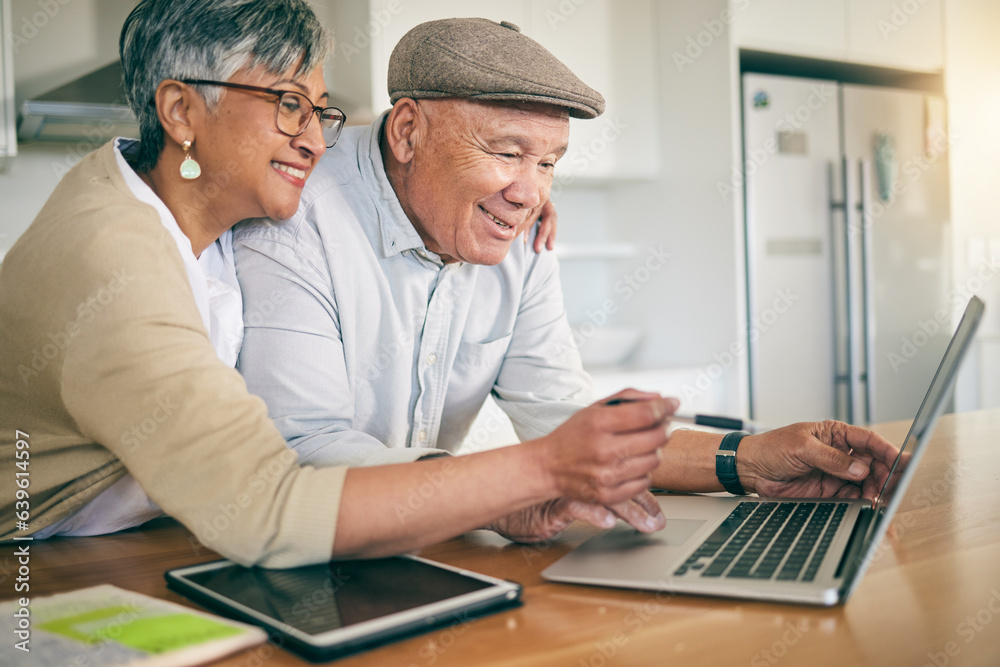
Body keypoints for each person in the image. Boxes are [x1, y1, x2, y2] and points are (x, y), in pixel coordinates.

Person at [0, 1, 678, 566]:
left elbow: (377, 155)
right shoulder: (114, 258)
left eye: (319, 111)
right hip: (31, 568)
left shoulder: (200, 222)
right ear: (180, 112)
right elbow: (264, 505)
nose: (317, 142)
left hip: (146, 540)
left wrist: (498, 179)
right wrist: (531, 475)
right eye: (289, 105)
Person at [233, 17, 900, 544]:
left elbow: (560, 415)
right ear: (407, 130)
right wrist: (498, 497)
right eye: (506, 151)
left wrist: (747, 460)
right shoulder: (299, 210)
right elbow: (306, 451)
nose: (530, 192)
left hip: (417, 552)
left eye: (550, 162)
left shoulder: (516, 235)